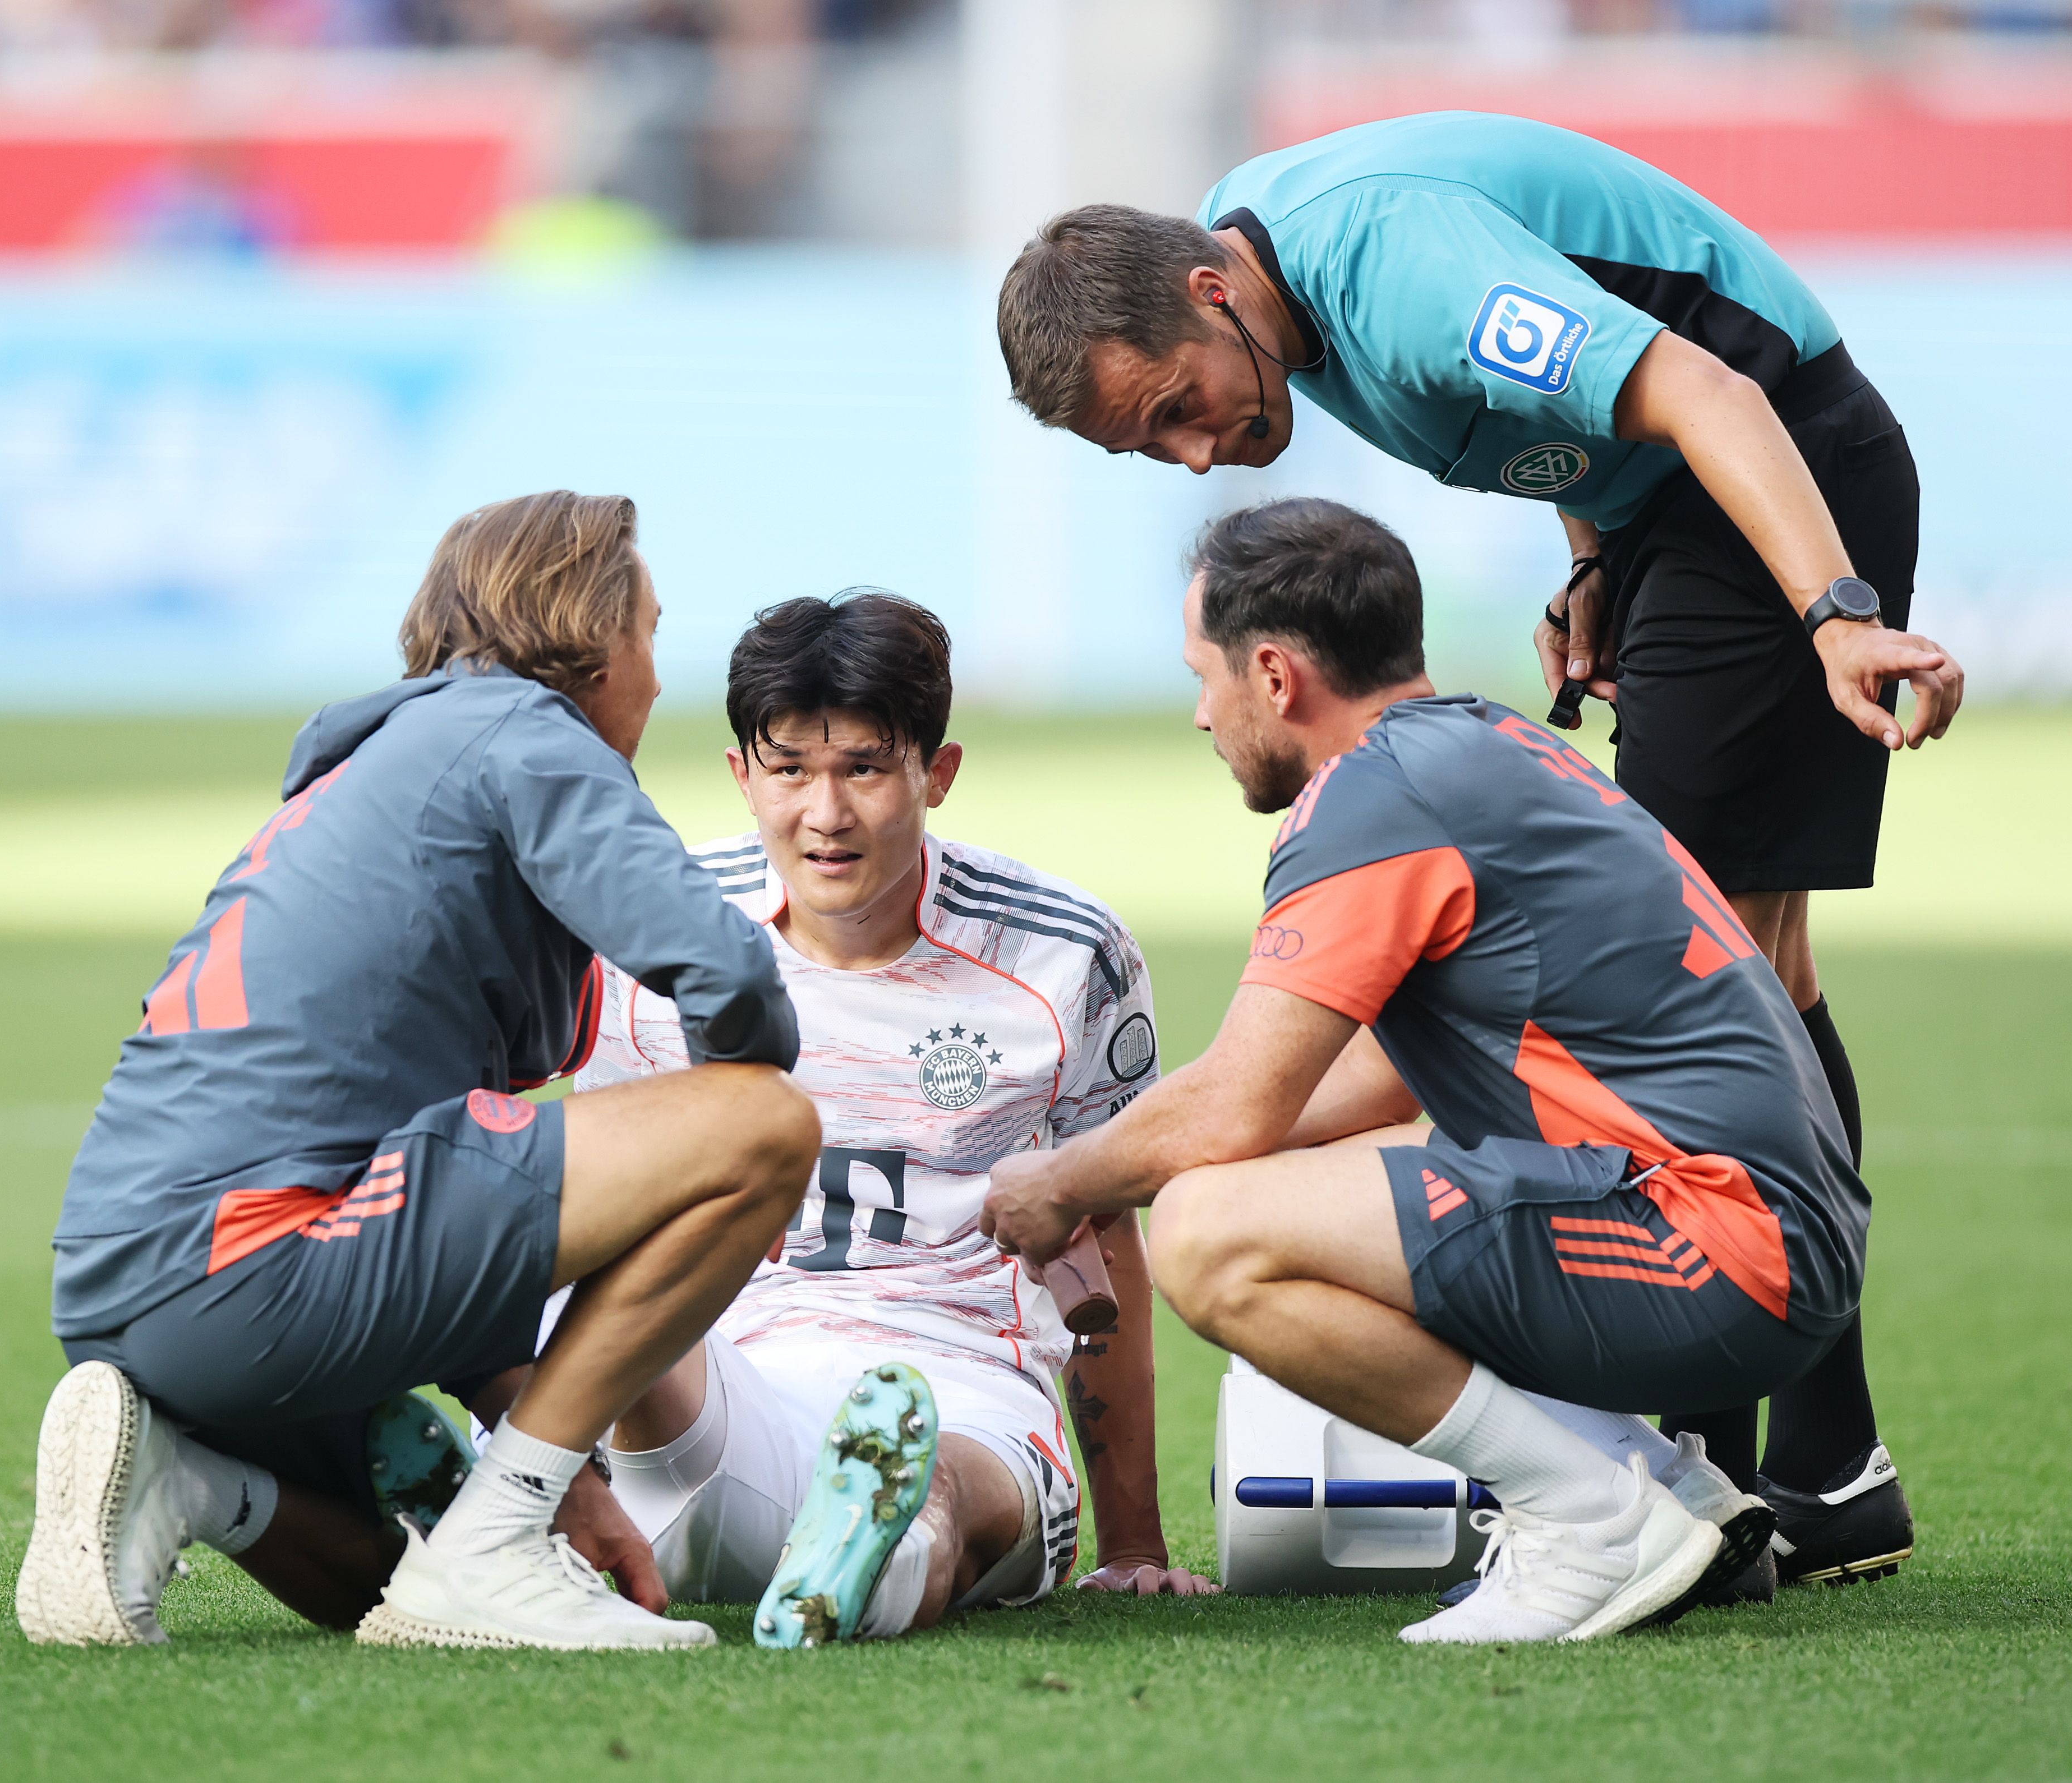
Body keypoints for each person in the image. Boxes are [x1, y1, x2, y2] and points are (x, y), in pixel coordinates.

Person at [993, 114, 1950, 1580]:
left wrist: (1833, 611)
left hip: (1764, 466)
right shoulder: (1257, 266)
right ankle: (1819, 1465)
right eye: (1155, 446)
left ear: (1206, 295)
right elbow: (1570, 393)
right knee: (1752, 951)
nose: (1198, 456)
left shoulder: (1391, 267)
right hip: (1667, 508)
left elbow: (1695, 379)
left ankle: (1710, 1474)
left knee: (1723, 951)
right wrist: (1589, 559)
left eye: (1180, 407)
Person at [980, 499, 1870, 1643]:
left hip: (1717, 1245)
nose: (1201, 715)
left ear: (1272, 674)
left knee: (1207, 1234)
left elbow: (1243, 1100)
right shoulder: (1479, 746)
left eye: (1203, 677)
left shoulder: (1371, 799)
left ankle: (1586, 1517)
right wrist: (1128, 1156)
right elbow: (1358, 1088)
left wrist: (1063, 1182)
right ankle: (1658, 1485)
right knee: (1283, 1184)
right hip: (1766, 1235)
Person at [16, 491, 818, 1654]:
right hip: (255, 1265)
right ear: (591, 640)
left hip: (126, 1287)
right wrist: (751, 1161)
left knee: (380, 1590)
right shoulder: (524, 734)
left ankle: (193, 1479)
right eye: (649, 630)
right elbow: (729, 976)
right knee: (763, 1123)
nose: (654, 672)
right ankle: (494, 1544)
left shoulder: (375, 767)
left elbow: (393, 1161)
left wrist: (561, 1469)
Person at [568, 590, 1211, 1646]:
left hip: (962, 1380)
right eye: (790, 771)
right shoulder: (655, 935)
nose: (826, 813)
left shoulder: (1066, 953)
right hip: (722, 1381)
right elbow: (593, 1215)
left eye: (864, 768)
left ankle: (876, 1540)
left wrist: (1133, 1547)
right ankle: (519, 1498)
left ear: (937, 773)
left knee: (947, 1493)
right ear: (742, 776)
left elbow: (1105, 1233)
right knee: (621, 1308)